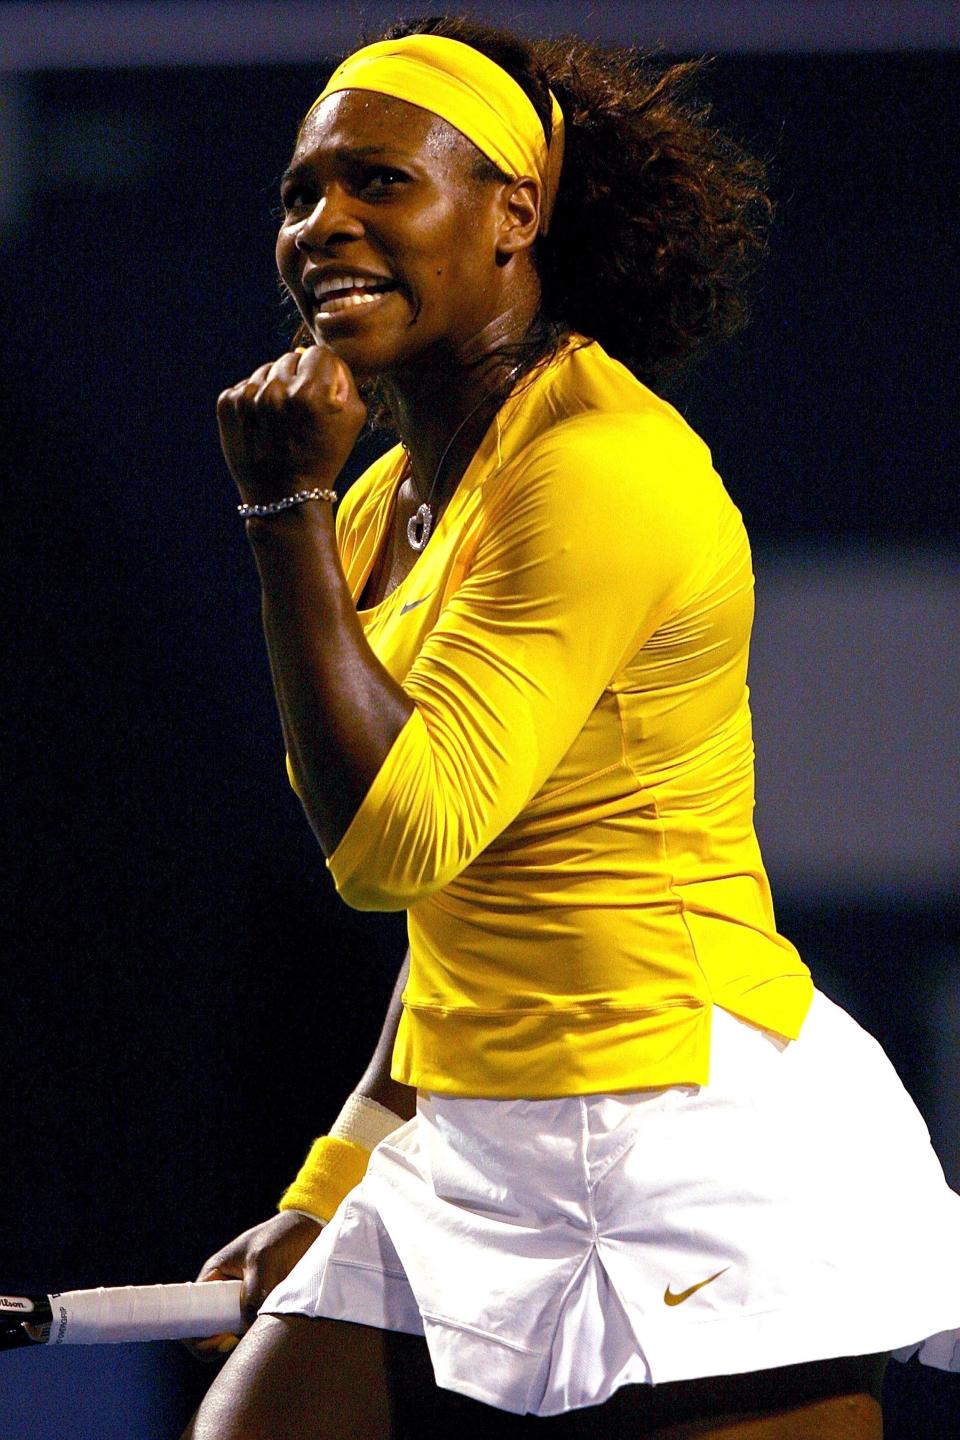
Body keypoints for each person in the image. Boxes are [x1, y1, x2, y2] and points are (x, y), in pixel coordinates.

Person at [182, 16, 960, 1439]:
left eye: (378, 183)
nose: (322, 225)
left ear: (512, 218)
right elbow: (452, 919)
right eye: (301, 193)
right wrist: (333, 1183)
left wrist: (277, 508)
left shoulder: (599, 470)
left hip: (686, 1130)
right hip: (474, 1130)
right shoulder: (378, 504)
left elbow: (391, 849)